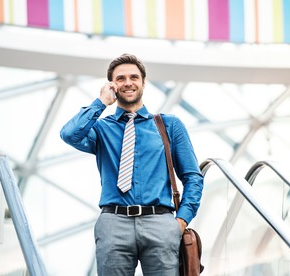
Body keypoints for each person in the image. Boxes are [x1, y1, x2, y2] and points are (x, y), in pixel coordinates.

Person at [60, 53, 203, 275]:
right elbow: (70, 135)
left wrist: (182, 220)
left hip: (160, 223)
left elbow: (192, 176)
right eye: (120, 78)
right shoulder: (101, 128)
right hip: (113, 223)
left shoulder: (169, 125)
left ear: (143, 82)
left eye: (134, 77)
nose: (128, 82)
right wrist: (100, 103)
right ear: (112, 85)